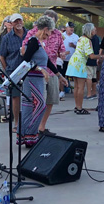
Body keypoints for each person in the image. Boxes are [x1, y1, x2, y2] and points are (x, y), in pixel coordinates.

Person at [19, 15, 66, 147]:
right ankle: (31, 132)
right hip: (31, 78)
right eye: (50, 32)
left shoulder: (40, 43)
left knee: (30, 107)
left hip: (38, 79)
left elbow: (48, 62)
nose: (50, 35)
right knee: (40, 105)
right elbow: (26, 60)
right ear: (45, 29)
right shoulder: (33, 41)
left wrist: (59, 76)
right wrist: (40, 69)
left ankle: (29, 138)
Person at [66, 23, 102, 114]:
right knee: (81, 87)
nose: (95, 31)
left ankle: (77, 106)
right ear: (90, 30)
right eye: (94, 29)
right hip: (80, 63)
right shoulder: (87, 40)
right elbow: (91, 56)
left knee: (76, 86)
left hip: (73, 61)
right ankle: (79, 107)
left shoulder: (80, 38)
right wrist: (102, 56)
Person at [0, 13, 27, 131]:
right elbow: (2, 56)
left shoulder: (29, 34)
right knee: (15, 97)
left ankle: (29, 121)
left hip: (28, 69)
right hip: (13, 71)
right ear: (11, 24)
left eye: (20, 20)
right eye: (15, 21)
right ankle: (17, 123)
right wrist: (7, 70)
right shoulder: (6, 38)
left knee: (30, 96)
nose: (18, 23)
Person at [84, 28, 101, 100]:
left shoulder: (89, 39)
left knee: (89, 77)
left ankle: (89, 94)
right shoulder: (97, 38)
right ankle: (94, 93)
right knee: (94, 77)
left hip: (89, 60)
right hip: (95, 60)